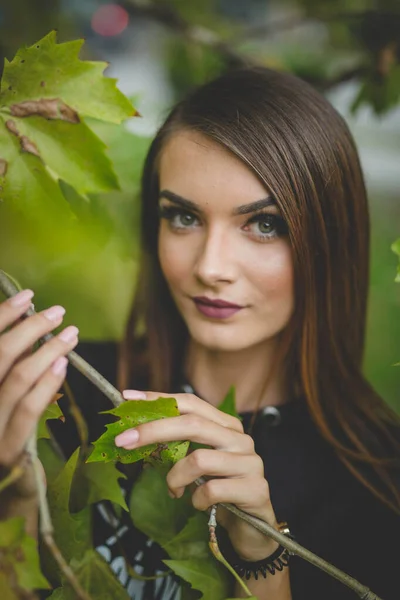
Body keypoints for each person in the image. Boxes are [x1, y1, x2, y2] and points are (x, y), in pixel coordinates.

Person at [0, 66, 399, 600]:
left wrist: (260, 553)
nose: (211, 267)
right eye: (183, 217)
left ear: (330, 240)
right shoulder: (64, 391)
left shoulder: (379, 476)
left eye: (264, 224)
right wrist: (16, 488)